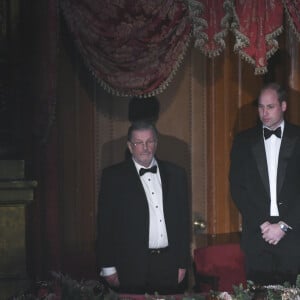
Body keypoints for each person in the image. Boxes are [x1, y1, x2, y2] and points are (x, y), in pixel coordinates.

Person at [97, 121, 190, 294]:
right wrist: (108, 267)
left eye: (149, 141)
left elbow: (183, 222)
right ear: (130, 146)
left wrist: (182, 264)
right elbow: (105, 226)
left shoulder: (177, 174)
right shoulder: (113, 176)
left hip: (168, 265)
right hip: (130, 266)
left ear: (156, 143)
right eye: (139, 143)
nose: (145, 147)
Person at [229, 82, 300, 285]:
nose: (264, 113)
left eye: (270, 107)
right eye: (261, 107)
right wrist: (263, 223)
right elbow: (237, 187)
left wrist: (284, 226)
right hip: (257, 236)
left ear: (283, 106)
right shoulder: (244, 140)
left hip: (294, 236)